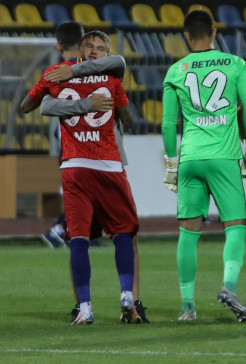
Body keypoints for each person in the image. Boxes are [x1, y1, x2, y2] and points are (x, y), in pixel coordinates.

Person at [21, 21, 139, 325]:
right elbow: (130, 120)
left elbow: (28, 106)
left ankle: (84, 307)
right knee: (124, 232)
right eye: (93, 48)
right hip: (109, 165)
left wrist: (60, 98)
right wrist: (105, 105)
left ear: (61, 47)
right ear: (84, 49)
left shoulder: (56, 77)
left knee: (78, 238)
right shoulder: (112, 79)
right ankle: (127, 294)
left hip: (74, 166)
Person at [161, 10, 246, 322]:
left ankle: (188, 307)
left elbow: (167, 124)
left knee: (188, 233)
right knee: (236, 225)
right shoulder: (235, 64)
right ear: (215, 31)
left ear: (187, 36)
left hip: (190, 157)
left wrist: (171, 164)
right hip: (223, 156)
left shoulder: (176, 70)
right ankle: (228, 286)